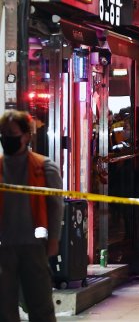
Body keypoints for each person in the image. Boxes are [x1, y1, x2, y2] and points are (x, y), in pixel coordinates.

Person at [0, 109, 63, 322]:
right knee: (4, 309)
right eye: (3, 134)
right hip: (4, 248)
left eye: (12, 134)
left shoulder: (44, 167)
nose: (6, 139)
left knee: (40, 305)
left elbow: (56, 206)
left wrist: (53, 240)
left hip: (34, 247)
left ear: (26, 136)